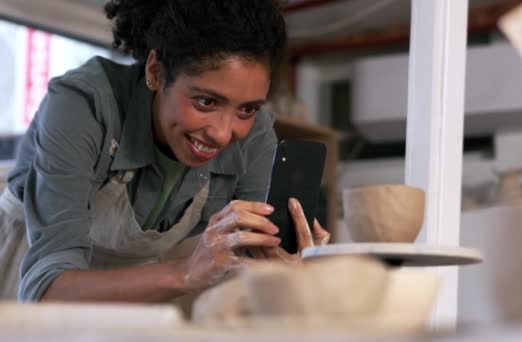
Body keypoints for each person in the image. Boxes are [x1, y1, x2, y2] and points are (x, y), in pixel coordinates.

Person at [0, 0, 330, 302]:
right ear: (156, 72)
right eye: (206, 101)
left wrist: (280, 270)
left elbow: (244, 265)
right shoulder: (83, 105)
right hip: (26, 275)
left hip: (144, 284)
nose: (222, 133)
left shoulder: (255, 136)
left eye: (246, 109)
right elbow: (44, 289)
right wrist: (185, 272)